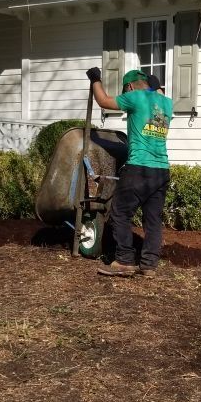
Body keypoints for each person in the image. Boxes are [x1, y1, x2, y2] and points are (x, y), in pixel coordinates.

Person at [85, 67, 172, 277]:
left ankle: (124, 260)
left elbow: (104, 101)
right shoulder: (167, 103)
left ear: (130, 87)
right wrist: (156, 84)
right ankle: (149, 265)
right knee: (152, 219)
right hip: (161, 170)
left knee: (120, 214)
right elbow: (158, 92)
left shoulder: (135, 97)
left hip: (138, 168)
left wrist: (95, 79)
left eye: (126, 90)